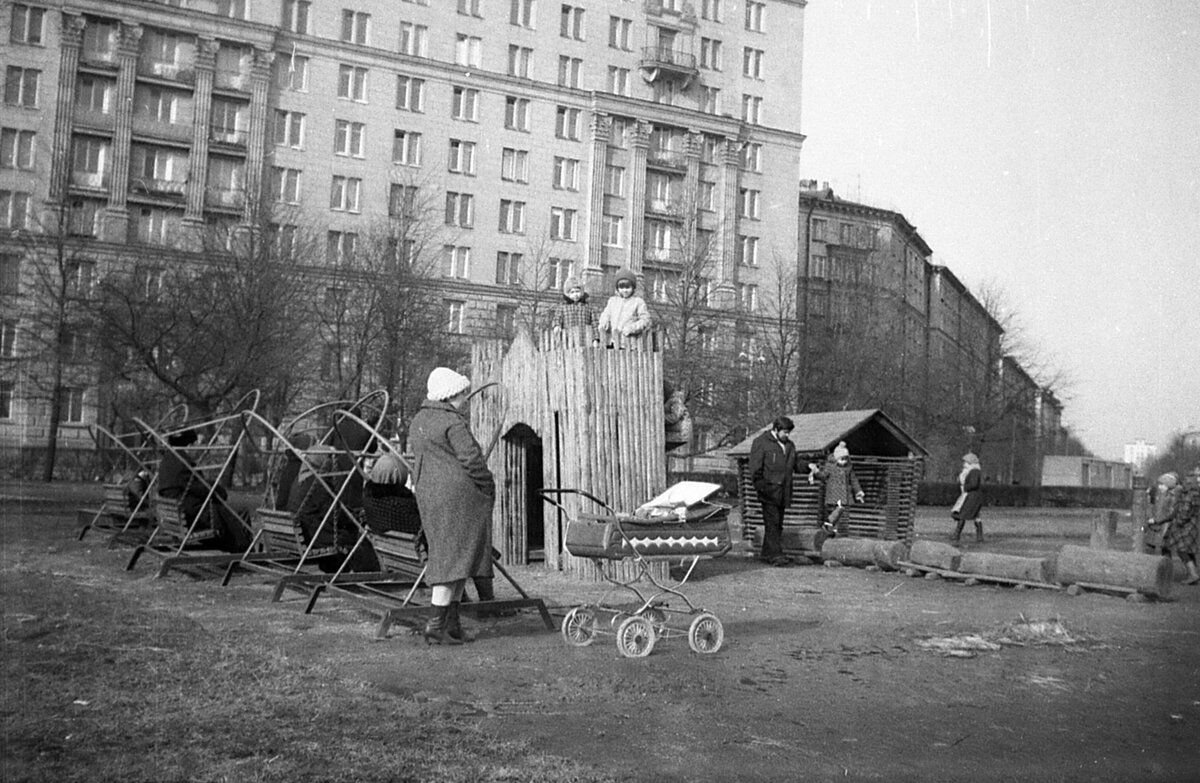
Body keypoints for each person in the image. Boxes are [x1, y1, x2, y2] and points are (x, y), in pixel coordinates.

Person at [409, 367, 496, 644]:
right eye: (462, 394)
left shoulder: (419, 420)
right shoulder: (453, 423)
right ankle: (436, 626)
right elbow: (472, 460)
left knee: (456, 559)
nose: (465, 399)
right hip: (459, 500)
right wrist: (487, 485)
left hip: (430, 496)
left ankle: (452, 625)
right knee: (452, 561)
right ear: (450, 396)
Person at [157, 429, 250, 551]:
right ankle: (244, 548)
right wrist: (218, 490)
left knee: (230, 510)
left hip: (178, 513)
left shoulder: (168, 460)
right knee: (239, 512)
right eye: (196, 444)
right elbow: (200, 488)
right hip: (193, 515)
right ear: (189, 446)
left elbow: (195, 485)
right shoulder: (183, 463)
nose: (197, 448)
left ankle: (242, 546)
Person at [748, 416, 800, 567]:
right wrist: (763, 488)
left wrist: (810, 467)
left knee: (777, 524)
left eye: (789, 432)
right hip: (768, 491)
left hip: (783, 492)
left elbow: (796, 464)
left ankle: (767, 553)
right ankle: (776, 555)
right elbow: (755, 470)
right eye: (785, 432)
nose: (788, 435)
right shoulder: (761, 443)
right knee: (773, 523)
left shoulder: (790, 446)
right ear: (776, 430)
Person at [807, 441, 865, 537]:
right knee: (835, 510)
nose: (844, 462)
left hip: (843, 494)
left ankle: (833, 529)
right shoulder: (830, 467)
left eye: (846, 459)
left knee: (840, 511)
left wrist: (858, 491)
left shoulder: (848, 468)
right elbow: (823, 475)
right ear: (836, 458)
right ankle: (830, 526)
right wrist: (816, 471)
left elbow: (853, 480)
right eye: (841, 459)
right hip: (833, 493)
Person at [597, 268, 651, 347]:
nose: (625, 290)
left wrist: (632, 328)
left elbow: (645, 320)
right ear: (617, 289)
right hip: (612, 341)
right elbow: (606, 314)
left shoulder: (638, 302)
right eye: (622, 288)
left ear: (633, 288)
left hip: (629, 342)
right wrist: (604, 322)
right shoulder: (612, 301)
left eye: (627, 287)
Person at [1165, 467, 1200, 584]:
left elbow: (1185, 511)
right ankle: (1193, 574)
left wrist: (1178, 522)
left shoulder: (1188, 495)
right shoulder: (1197, 493)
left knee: (1182, 550)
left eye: (1186, 481)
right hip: (1195, 524)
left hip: (1187, 526)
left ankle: (1193, 574)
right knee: (1189, 551)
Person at [547, 275, 597, 339]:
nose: (575, 294)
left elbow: (594, 323)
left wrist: (596, 339)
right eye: (572, 292)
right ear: (568, 293)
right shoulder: (563, 307)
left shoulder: (588, 307)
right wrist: (557, 326)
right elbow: (557, 318)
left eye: (577, 291)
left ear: (581, 292)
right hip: (568, 339)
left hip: (584, 338)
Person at [1144, 471, 1181, 556]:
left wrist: (1157, 520)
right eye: (1159, 484)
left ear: (1168, 485)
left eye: (1162, 485)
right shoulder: (1160, 495)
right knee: (1150, 546)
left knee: (1165, 548)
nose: (1159, 487)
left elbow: (1171, 513)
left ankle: (1166, 565)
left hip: (1165, 525)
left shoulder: (1172, 496)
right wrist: (1151, 517)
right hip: (1156, 524)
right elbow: (1154, 508)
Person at [950, 452, 984, 544]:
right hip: (974, 496)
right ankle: (979, 537)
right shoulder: (973, 471)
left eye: (965, 462)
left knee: (962, 514)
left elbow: (973, 484)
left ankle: (956, 535)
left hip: (972, 496)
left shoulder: (974, 471)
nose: (963, 464)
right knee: (976, 516)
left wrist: (965, 487)